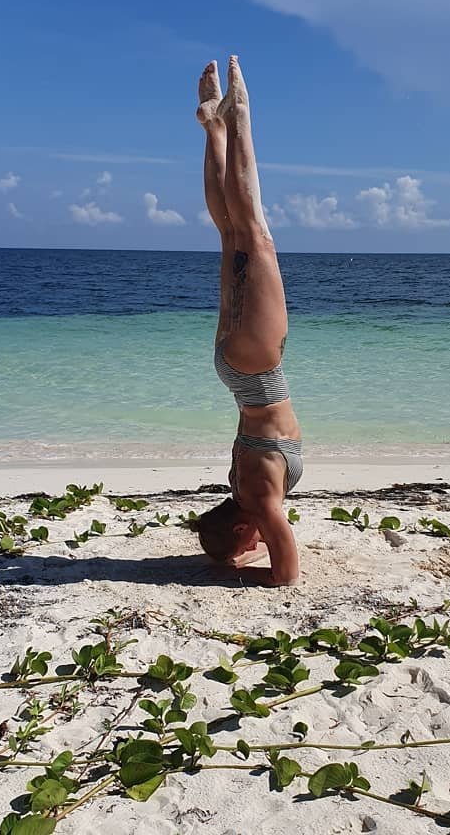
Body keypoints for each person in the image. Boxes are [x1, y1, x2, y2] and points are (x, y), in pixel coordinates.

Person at [192, 56, 302, 587]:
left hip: (257, 371)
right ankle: (214, 129)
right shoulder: (239, 488)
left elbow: (285, 569)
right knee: (232, 233)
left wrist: (259, 574)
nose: (254, 547)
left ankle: (238, 119)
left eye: (244, 546)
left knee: (254, 233)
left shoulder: (257, 499)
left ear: (240, 528)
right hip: (236, 372)